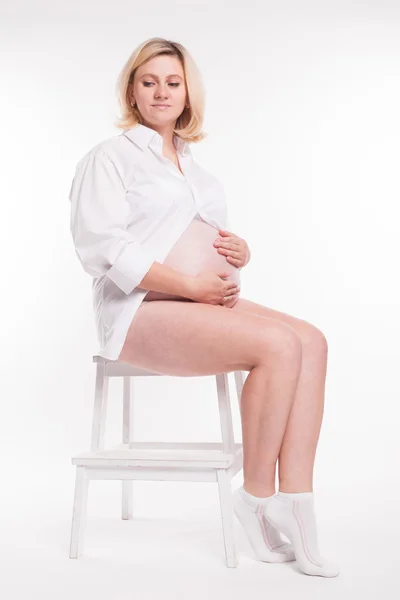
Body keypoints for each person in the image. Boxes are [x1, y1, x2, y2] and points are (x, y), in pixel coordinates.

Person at [68, 37, 339, 578]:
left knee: (311, 339)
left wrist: (240, 251)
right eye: (149, 82)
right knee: (278, 345)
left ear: (188, 91)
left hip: (200, 304)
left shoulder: (195, 167)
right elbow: (102, 248)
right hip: (141, 311)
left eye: (173, 81)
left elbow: (202, 237)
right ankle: (257, 498)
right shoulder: (112, 158)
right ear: (132, 91)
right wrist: (192, 286)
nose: (161, 91)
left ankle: (297, 497)